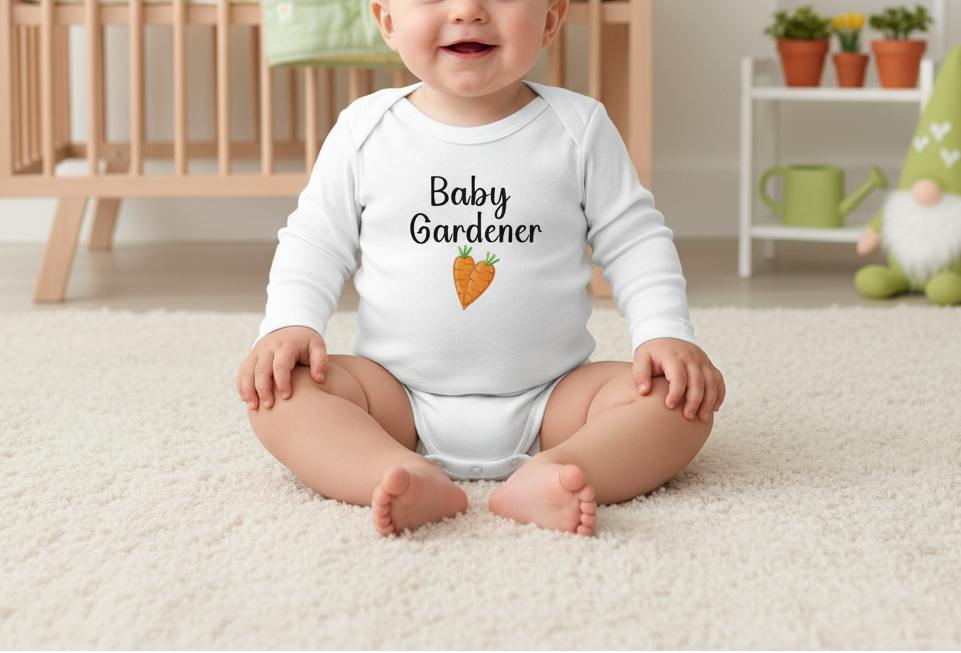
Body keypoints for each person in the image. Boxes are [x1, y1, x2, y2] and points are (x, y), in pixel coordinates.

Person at [237, 0, 725, 537]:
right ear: (388, 21)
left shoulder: (579, 128)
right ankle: (393, 472)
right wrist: (290, 323)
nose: (468, 10)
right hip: (393, 401)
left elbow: (635, 239)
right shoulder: (364, 131)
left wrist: (663, 333)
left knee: (681, 401)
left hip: (555, 401)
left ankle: (557, 472)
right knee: (281, 392)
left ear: (551, 19)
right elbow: (314, 241)